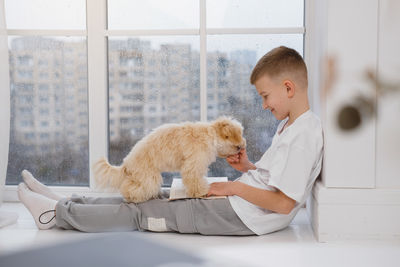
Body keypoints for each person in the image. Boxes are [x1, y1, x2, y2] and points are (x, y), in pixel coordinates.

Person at [17, 46, 323, 236]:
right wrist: (247, 167)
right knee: (153, 193)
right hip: (236, 204)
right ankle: (65, 203)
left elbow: (284, 204)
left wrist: (230, 187)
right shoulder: (289, 127)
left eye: (265, 96)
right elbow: (272, 182)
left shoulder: (305, 135)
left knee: (141, 212)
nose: (264, 105)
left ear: (288, 87)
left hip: (239, 215)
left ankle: (53, 215)